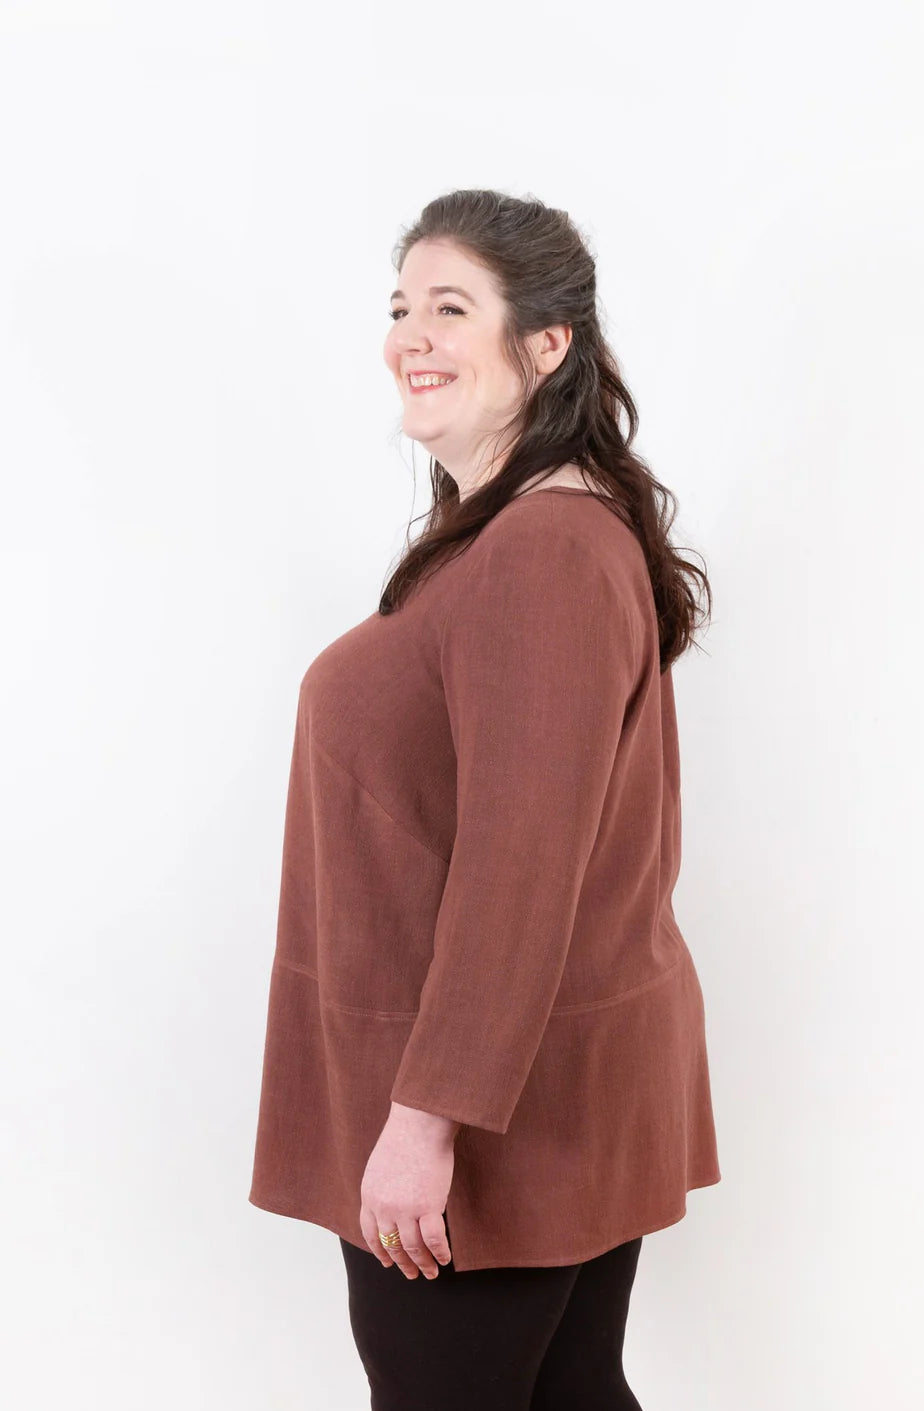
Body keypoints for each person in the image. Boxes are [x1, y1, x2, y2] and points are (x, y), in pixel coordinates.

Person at [249, 188, 721, 1410]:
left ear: (547, 342)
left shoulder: (544, 551)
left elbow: (522, 864)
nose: (409, 336)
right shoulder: (508, 533)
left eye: (451, 308)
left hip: (491, 1116)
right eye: (401, 306)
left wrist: (424, 1122)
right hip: (526, 1091)